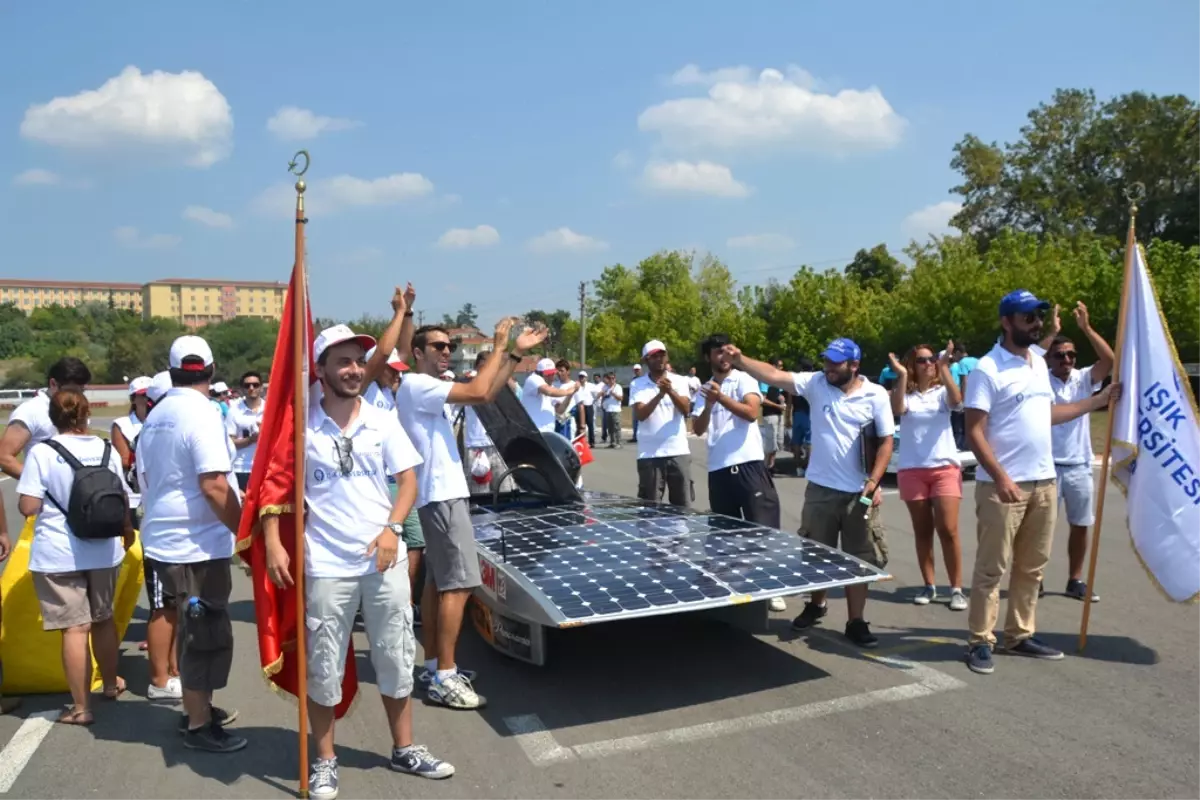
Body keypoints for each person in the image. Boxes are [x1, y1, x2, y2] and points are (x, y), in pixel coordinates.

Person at [263, 325, 453, 798]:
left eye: (357, 361)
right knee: (324, 666)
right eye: (342, 361)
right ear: (321, 369)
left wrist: (392, 530)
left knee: (396, 656)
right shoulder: (301, 425)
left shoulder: (381, 419)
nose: (352, 369)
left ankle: (404, 747)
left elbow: (408, 481)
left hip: (383, 563)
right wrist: (272, 539)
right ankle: (325, 759)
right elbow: (277, 484)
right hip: (325, 565)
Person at [962, 290, 1120, 675]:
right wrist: (1000, 477)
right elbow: (974, 432)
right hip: (1004, 487)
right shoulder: (988, 369)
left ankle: (1018, 634)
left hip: (1044, 482)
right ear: (1007, 321)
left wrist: (1095, 403)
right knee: (990, 569)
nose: (1035, 323)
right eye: (1027, 317)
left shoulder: (1036, 362)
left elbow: (1047, 413)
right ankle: (980, 640)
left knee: (1032, 567)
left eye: (1037, 316)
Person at [397, 319, 547, 709]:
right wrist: (500, 344)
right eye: (437, 346)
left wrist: (513, 355)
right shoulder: (417, 384)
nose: (446, 351)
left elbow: (488, 393)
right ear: (418, 353)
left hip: (439, 495)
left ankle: (434, 665)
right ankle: (445, 675)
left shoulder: (427, 388)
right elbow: (480, 391)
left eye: (449, 346)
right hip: (441, 496)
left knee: (438, 584)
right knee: (458, 584)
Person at [728, 338, 894, 648]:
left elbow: (886, 441)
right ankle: (817, 604)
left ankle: (855, 620)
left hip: (860, 493)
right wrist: (741, 359)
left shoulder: (876, 395)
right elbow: (773, 376)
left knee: (860, 559)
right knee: (817, 554)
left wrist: (874, 480)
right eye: (826, 361)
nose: (828, 367)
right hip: (820, 490)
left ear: (854, 366)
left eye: (835, 363)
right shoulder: (816, 383)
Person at [137, 335, 245, 751]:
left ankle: (196, 705)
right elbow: (215, 485)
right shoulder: (201, 413)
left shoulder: (159, 413)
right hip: (196, 542)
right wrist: (245, 531)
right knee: (206, 633)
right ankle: (199, 724)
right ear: (212, 370)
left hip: (169, 537)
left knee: (192, 628)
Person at [16, 389, 134, 725]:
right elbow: (122, 498)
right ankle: (110, 684)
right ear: (85, 414)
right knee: (103, 619)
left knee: (75, 629)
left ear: (53, 417)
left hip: (59, 552)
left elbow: (29, 506)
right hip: (103, 548)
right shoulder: (106, 448)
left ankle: (82, 708)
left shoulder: (42, 452)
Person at [0, 355, 92, 716]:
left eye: (82, 390)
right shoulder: (34, 411)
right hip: (47, 516)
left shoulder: (69, 410)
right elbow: (6, 456)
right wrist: (46, 484)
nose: (77, 396)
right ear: (52, 385)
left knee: (87, 608)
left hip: (79, 518)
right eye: (72, 390)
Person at [692, 335, 786, 612]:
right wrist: (710, 402)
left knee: (763, 529)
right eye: (717, 353)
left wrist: (720, 397)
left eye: (726, 351)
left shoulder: (744, 379)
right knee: (725, 535)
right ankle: (734, 587)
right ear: (708, 357)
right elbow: (698, 429)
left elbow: (751, 412)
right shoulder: (704, 389)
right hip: (718, 469)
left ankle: (771, 588)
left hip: (748, 465)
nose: (723, 357)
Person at [1038, 301, 1113, 602]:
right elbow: (1029, 357)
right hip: (1047, 465)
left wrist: (1086, 328)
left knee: (1080, 525)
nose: (1067, 359)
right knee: (1042, 529)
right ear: (1050, 359)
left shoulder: (1084, 378)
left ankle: (1075, 579)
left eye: (1071, 354)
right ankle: (1036, 578)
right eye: (1060, 355)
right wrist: (1052, 331)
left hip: (1079, 465)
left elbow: (1109, 360)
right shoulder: (1039, 379)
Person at [887, 342, 967, 611]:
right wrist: (902, 375)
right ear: (913, 365)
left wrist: (944, 367)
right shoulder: (905, 394)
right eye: (922, 360)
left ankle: (956, 588)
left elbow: (957, 401)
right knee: (923, 531)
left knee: (948, 529)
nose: (928, 363)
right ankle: (929, 584)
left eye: (932, 359)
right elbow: (897, 410)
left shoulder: (942, 392)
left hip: (944, 468)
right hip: (912, 470)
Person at [630, 340, 693, 507]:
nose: (659, 359)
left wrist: (670, 391)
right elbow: (641, 414)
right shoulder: (637, 384)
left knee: (682, 507)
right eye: (654, 356)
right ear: (645, 360)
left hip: (677, 451)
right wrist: (659, 395)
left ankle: (680, 534)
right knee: (650, 509)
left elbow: (686, 409)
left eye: (662, 355)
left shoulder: (679, 381)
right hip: (650, 455)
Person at [463, 350, 516, 496]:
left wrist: (499, 371)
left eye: (489, 366)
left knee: (505, 489)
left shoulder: (498, 383)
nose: (485, 370)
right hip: (476, 446)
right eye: (482, 366)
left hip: (498, 444)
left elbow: (514, 388)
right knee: (480, 493)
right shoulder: (470, 382)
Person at [111, 376, 152, 522]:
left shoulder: (163, 421)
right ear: (133, 399)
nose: (148, 399)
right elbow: (125, 460)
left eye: (151, 395)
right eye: (143, 395)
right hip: (134, 495)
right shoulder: (122, 424)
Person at [227, 371, 265, 492]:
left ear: (261, 387)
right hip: (242, 469)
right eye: (247, 385)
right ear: (242, 389)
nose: (251, 388)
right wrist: (251, 440)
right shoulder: (234, 411)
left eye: (255, 384)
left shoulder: (270, 409)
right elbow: (229, 442)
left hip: (266, 468)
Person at [520, 358, 575, 433]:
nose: (551, 377)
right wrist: (568, 391)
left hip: (548, 433)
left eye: (552, 374)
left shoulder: (550, 386)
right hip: (534, 432)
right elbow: (548, 391)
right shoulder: (533, 379)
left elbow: (560, 410)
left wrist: (570, 395)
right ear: (539, 373)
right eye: (548, 374)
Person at [760, 359, 787, 471]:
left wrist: (781, 399)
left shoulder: (778, 381)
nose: (781, 368)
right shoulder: (765, 380)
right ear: (772, 365)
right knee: (771, 442)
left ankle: (772, 464)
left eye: (782, 366)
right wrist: (777, 406)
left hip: (779, 414)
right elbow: (763, 399)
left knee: (778, 441)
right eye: (779, 366)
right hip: (770, 414)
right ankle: (766, 466)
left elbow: (779, 394)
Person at [789, 357, 814, 476]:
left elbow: (789, 399)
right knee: (809, 441)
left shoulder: (795, 380)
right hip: (809, 413)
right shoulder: (812, 380)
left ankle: (798, 467)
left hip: (796, 413)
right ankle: (809, 466)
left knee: (797, 442)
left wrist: (788, 415)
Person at [600, 373, 624, 449]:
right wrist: (602, 403)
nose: (611, 380)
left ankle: (619, 442)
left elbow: (621, 398)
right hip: (608, 410)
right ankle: (612, 442)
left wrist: (613, 394)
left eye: (613, 378)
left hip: (615, 410)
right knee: (610, 428)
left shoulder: (618, 387)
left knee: (617, 427)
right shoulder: (605, 387)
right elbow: (603, 396)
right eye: (609, 378)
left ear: (615, 379)